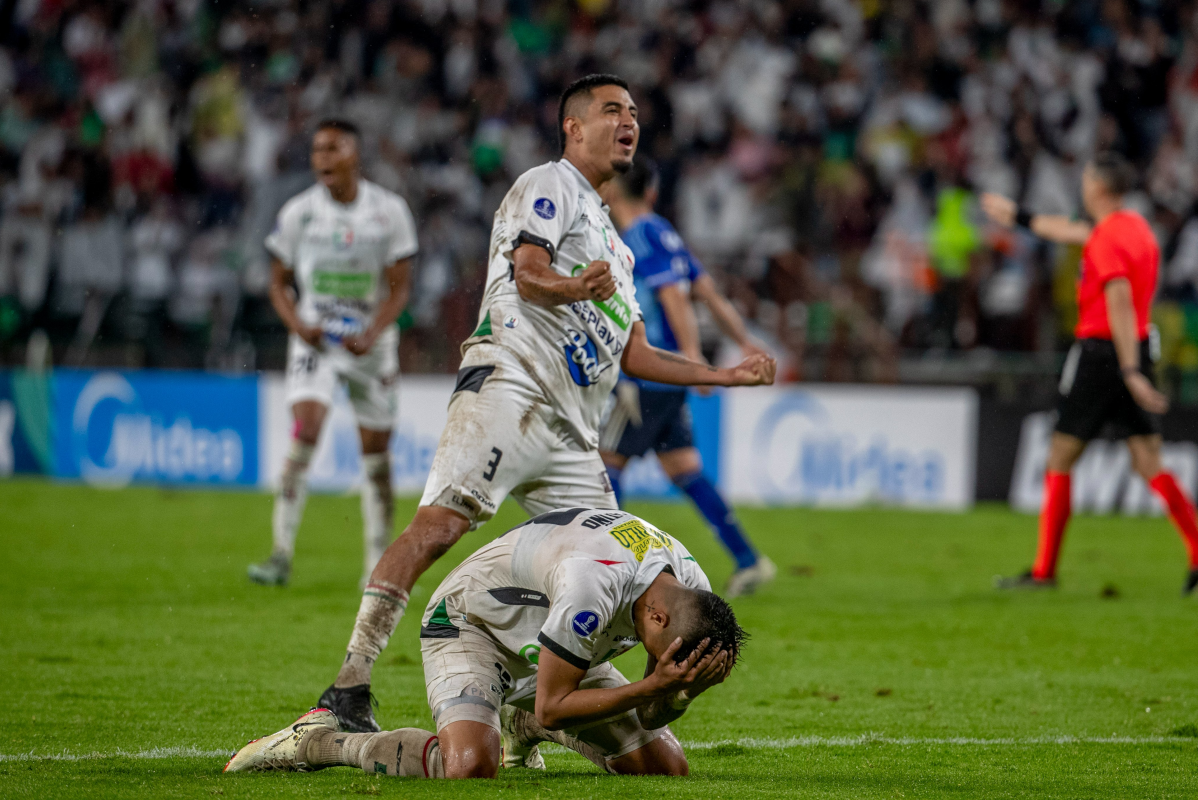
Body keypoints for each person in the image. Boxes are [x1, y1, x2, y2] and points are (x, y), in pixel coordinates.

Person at [313, 74, 775, 733]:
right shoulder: (549, 185)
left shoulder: (617, 246)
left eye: (636, 113)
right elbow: (528, 275)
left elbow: (636, 353)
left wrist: (723, 376)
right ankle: (349, 683)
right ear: (573, 127)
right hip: (512, 385)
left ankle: (532, 711)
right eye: (613, 109)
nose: (629, 121)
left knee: (612, 573)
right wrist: (572, 287)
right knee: (442, 526)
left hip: (570, 430)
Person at [224, 507, 743, 779]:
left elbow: (652, 712)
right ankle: (317, 742)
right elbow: (557, 704)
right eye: (661, 654)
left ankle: (522, 724)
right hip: (472, 624)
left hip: (556, 643)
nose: (656, 660)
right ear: (655, 616)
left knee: (665, 769)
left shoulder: (689, 591)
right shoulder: (594, 584)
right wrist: (650, 684)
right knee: (470, 767)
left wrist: (680, 693)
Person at [982, 152, 1198, 594]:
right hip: (1136, 345)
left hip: (1105, 354)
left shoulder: (1104, 241)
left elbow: (1116, 298)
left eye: (1085, 179)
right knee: (1148, 461)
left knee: (1059, 458)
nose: (1081, 185)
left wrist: (1129, 370)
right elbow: (1066, 230)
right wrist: (1018, 215)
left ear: (1097, 186)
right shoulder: (1135, 228)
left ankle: (1044, 572)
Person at [247, 119, 417, 587]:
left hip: (371, 345)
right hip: (315, 341)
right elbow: (278, 283)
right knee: (307, 427)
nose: (321, 157)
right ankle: (280, 553)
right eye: (316, 149)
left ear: (354, 155)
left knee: (376, 454)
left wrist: (374, 330)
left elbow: (400, 290)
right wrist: (298, 324)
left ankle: (376, 567)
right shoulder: (299, 213)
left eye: (332, 148)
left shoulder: (389, 211)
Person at [598, 159, 776, 597]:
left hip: (649, 370)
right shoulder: (665, 231)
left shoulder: (639, 236)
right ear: (653, 193)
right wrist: (745, 341)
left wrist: (695, 360)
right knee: (684, 468)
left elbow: (675, 298)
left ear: (612, 192)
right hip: (669, 375)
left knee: (605, 464)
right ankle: (749, 560)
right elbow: (709, 291)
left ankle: (613, 569)